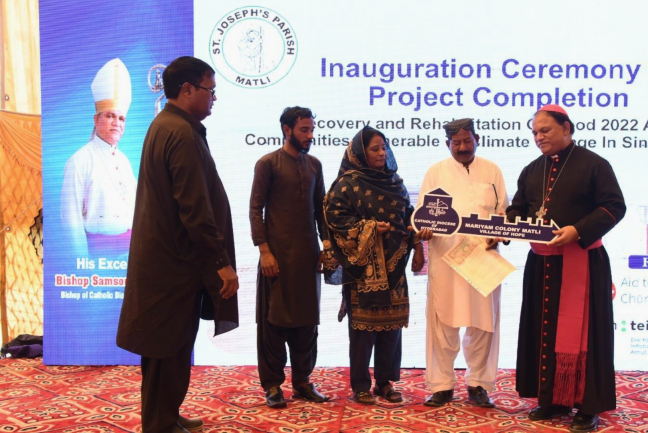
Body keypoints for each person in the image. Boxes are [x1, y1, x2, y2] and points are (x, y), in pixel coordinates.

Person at [116, 56, 239, 433]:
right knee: (167, 349)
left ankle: (165, 415)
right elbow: (194, 209)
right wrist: (221, 262)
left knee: (168, 349)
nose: (214, 98)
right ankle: (160, 424)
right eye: (210, 90)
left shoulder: (166, 125)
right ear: (187, 90)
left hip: (168, 263)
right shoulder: (180, 133)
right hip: (173, 266)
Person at [506, 104, 625, 433]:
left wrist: (578, 230)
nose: (538, 137)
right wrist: (505, 226)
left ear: (566, 128)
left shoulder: (594, 165)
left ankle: (588, 406)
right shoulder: (532, 170)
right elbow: (518, 208)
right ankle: (552, 398)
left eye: (545, 130)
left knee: (586, 336)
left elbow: (614, 206)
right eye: (534, 132)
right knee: (543, 331)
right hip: (541, 263)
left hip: (582, 261)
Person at [323, 126, 424, 404]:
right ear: (360, 153)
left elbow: (408, 216)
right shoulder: (346, 185)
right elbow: (334, 219)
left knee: (391, 328)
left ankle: (384, 382)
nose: (382, 153)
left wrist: (417, 245)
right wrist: (368, 228)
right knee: (362, 331)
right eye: (374, 149)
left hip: (395, 265)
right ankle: (360, 385)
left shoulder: (395, 182)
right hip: (363, 270)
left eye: (384, 148)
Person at [413, 118, 508, 408]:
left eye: (468, 141)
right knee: (443, 322)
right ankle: (442, 385)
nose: (463, 147)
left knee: (484, 324)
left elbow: (503, 212)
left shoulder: (492, 170)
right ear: (448, 144)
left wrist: (499, 234)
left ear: (477, 139)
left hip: (483, 258)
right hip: (446, 259)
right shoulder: (436, 172)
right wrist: (423, 230)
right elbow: (422, 215)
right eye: (457, 143)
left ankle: (478, 384)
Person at [249, 106, 329, 408]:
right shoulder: (267, 163)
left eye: (311, 130)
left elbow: (320, 210)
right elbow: (255, 209)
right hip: (277, 259)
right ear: (287, 130)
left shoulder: (315, 165)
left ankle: (303, 382)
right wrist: (264, 251)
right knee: (274, 323)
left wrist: (327, 245)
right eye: (304, 130)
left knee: (307, 323)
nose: (310, 135)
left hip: (308, 258)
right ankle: (272, 386)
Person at [61, 58, 137, 259]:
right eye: (110, 116)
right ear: (96, 119)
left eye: (121, 118)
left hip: (130, 254)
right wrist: (82, 263)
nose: (116, 123)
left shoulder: (124, 161)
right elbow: (70, 220)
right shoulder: (79, 161)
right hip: (98, 255)